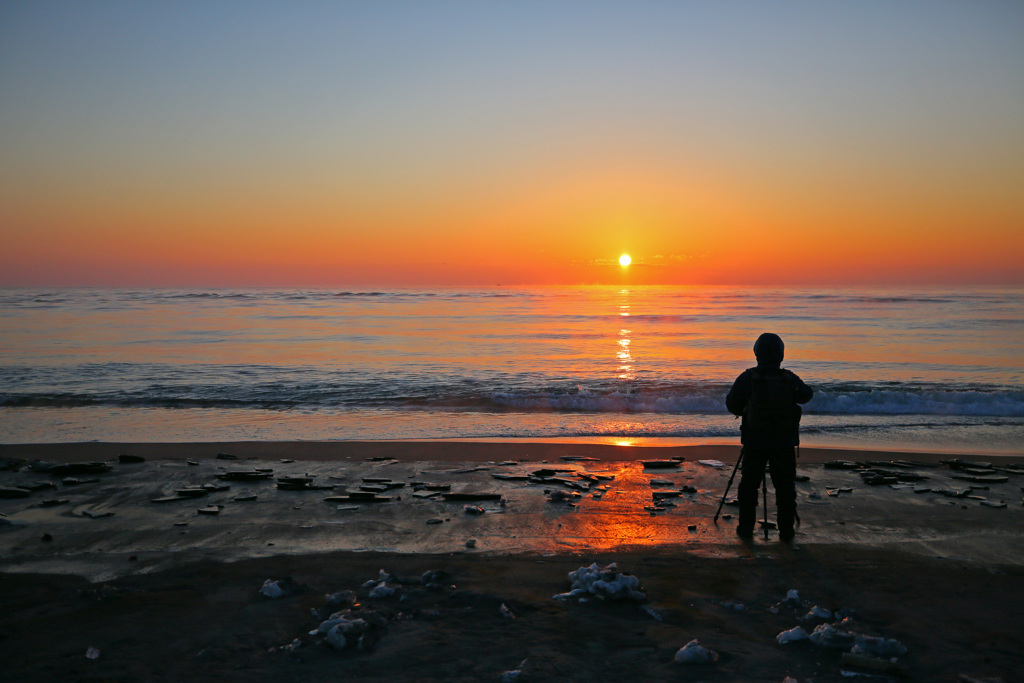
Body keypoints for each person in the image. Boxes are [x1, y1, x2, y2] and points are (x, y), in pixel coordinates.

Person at [726, 333, 813, 541]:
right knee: (785, 487)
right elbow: (807, 395)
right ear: (780, 354)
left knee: (749, 485)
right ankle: (786, 530)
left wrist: (747, 407)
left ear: (756, 353)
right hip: (783, 442)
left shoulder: (748, 377)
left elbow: (731, 404)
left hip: (755, 441)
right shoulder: (788, 378)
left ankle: (746, 528)